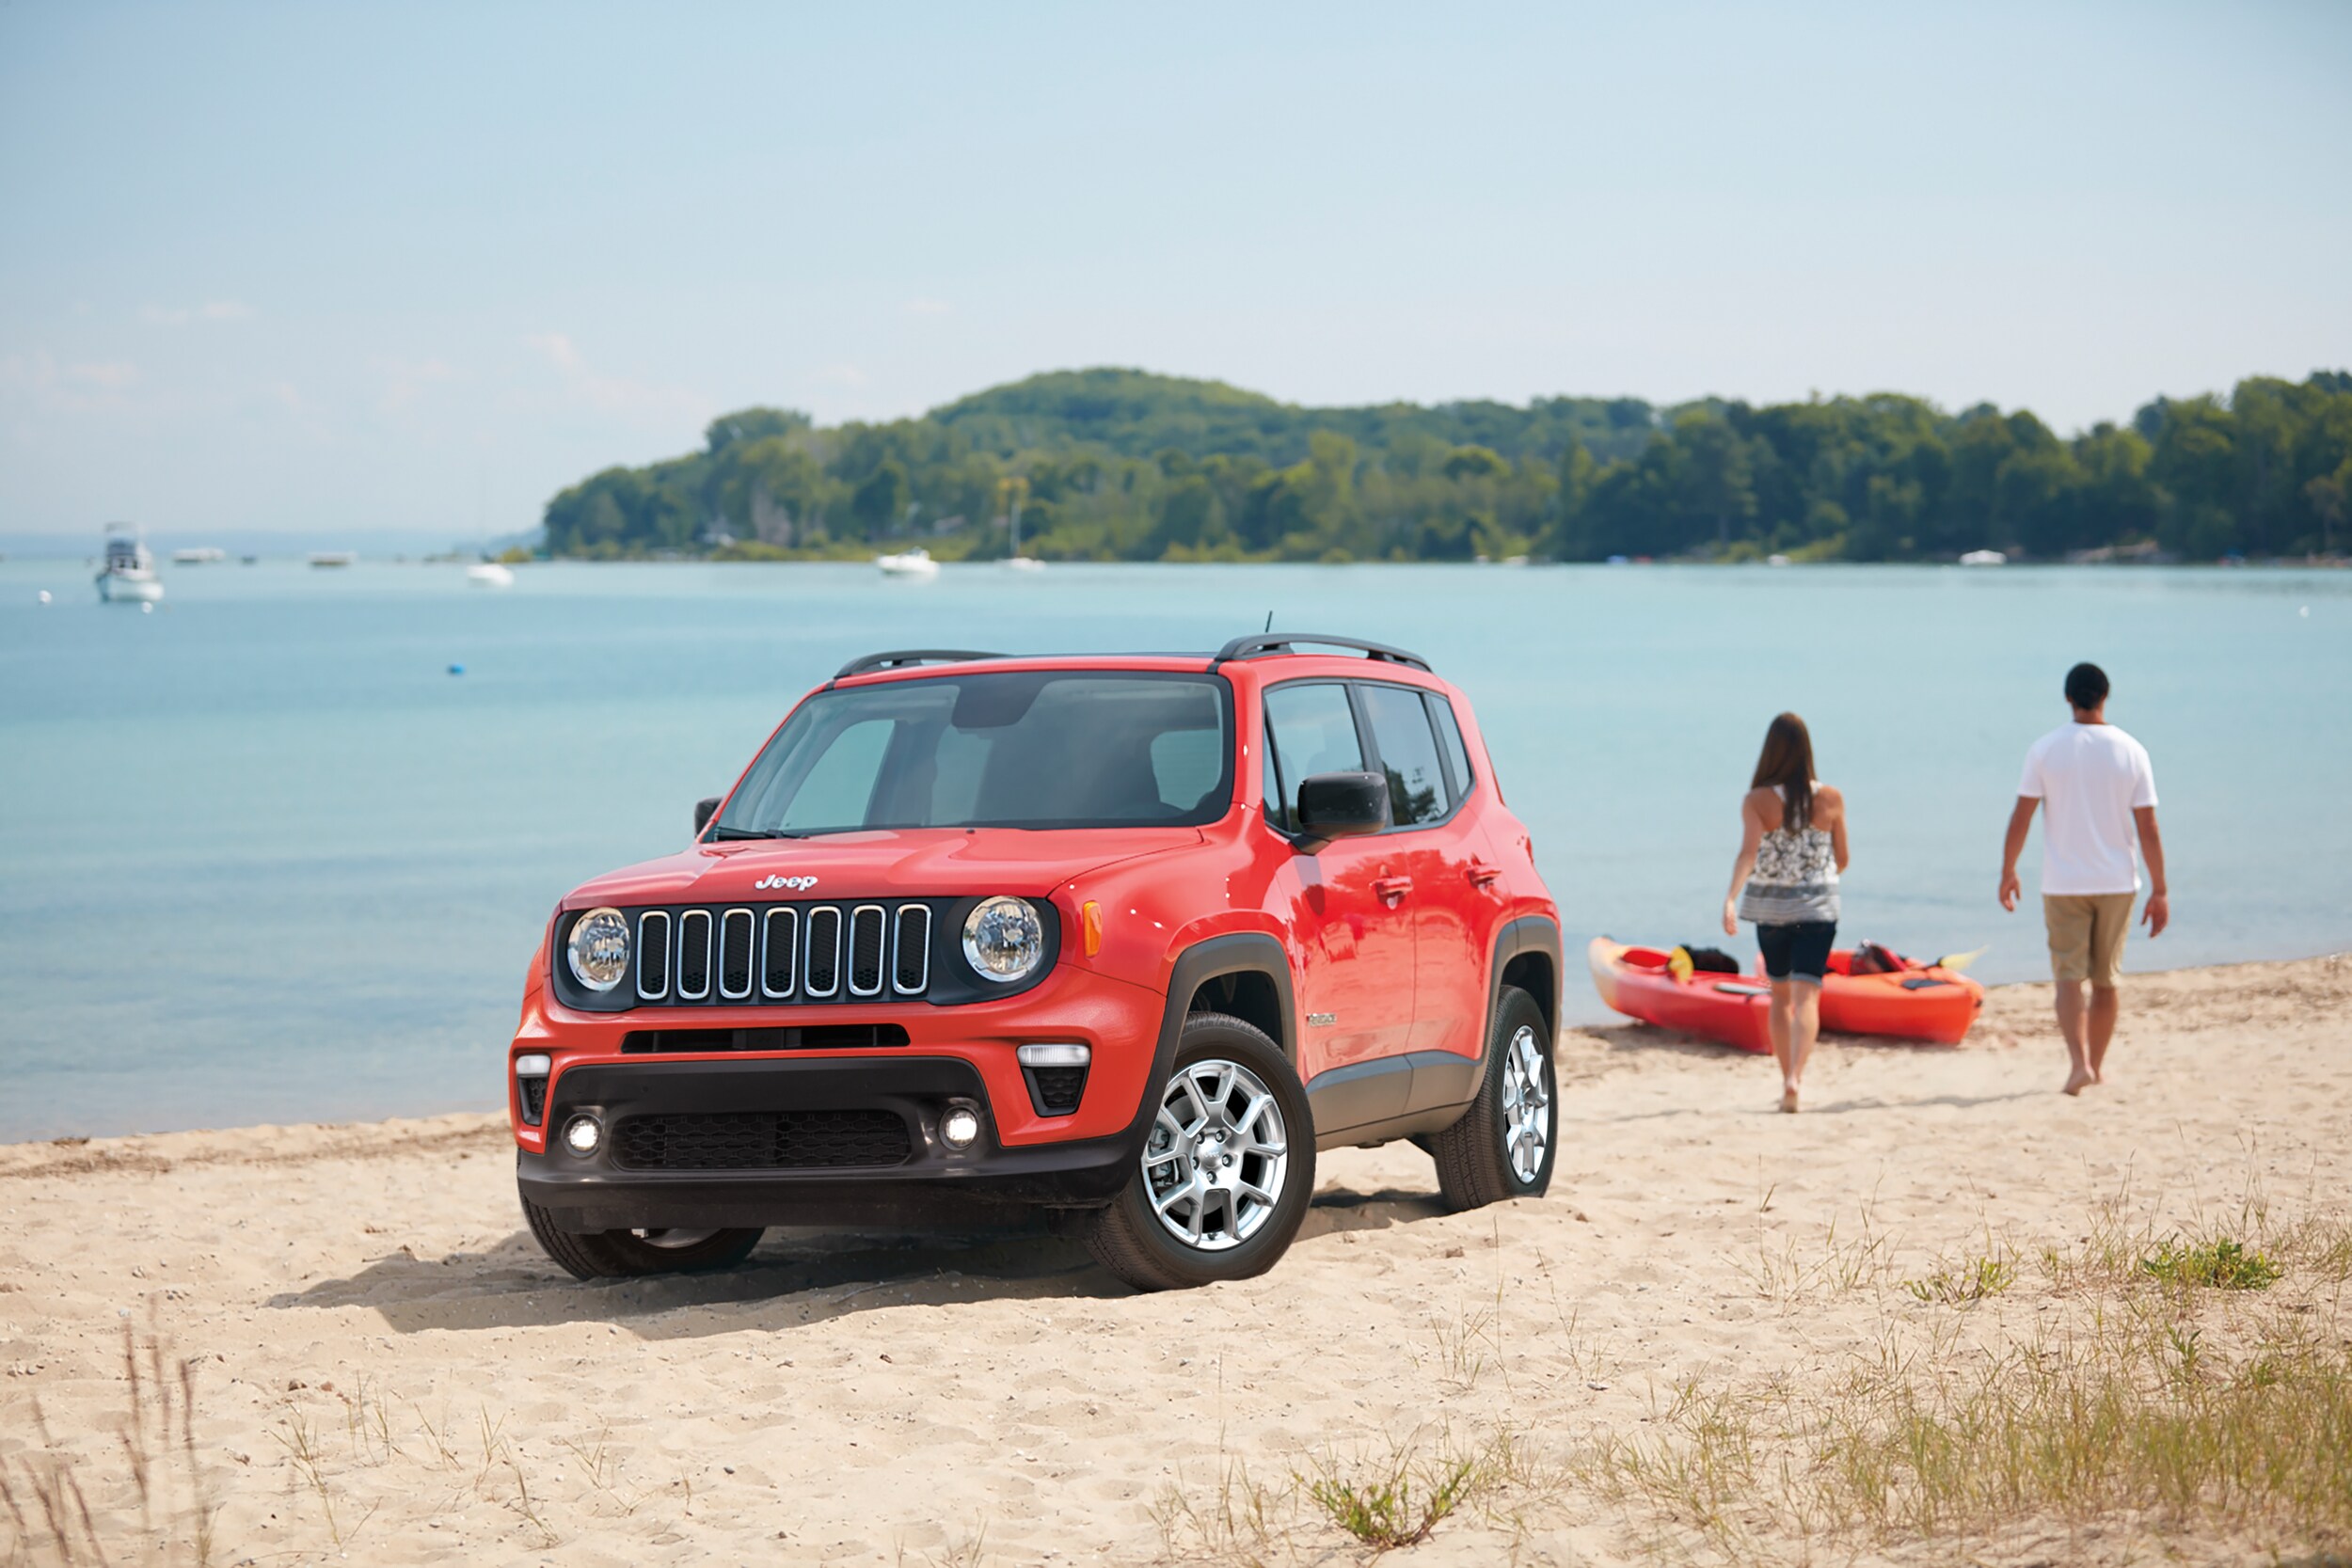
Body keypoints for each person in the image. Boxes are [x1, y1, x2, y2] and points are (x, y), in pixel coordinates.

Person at [1998, 661, 2168, 1096]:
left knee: (2068, 977)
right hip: (2117, 881)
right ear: (2105, 696)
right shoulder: (2132, 750)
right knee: (2107, 979)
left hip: (2063, 883)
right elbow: (2148, 828)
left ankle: (2079, 1065)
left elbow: (2022, 816)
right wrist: (2160, 889)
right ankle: (2098, 1064)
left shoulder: (2045, 749)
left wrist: (2008, 870)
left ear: (2068, 698)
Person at [1723, 713, 1849, 1113]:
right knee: (1808, 997)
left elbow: (1748, 854)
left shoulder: (1757, 800)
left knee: (1780, 997)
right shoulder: (1831, 798)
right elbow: (1842, 859)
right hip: (1818, 908)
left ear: (1770, 751)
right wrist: (1812, 874)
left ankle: (1784, 1080)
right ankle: (1797, 1076)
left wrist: (1730, 897)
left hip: (1772, 910)